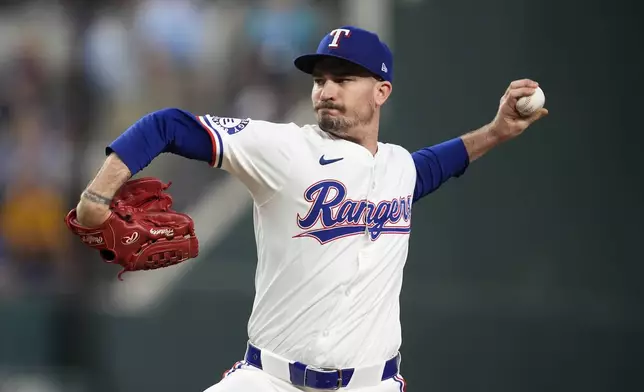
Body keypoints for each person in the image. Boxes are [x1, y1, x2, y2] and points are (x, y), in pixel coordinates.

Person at [72, 26, 548, 391]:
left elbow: (435, 166)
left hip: (372, 383)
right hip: (270, 379)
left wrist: (496, 132)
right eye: (320, 80)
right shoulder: (283, 149)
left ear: (381, 91)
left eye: (343, 79)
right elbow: (167, 125)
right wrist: (96, 200)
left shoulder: (399, 168)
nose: (326, 90)